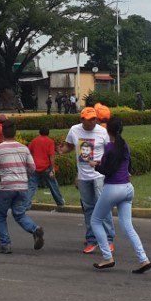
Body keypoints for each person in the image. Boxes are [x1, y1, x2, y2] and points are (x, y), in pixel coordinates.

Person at [90, 117, 151, 273]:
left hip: (113, 188)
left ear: (108, 130)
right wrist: (102, 165)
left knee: (95, 221)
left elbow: (107, 170)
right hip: (128, 188)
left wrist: (95, 165)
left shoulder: (109, 147)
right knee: (128, 226)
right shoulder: (124, 145)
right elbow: (126, 165)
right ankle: (143, 259)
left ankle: (107, 257)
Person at [59, 107, 114, 253]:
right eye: (89, 119)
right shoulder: (74, 130)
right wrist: (63, 150)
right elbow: (69, 146)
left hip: (99, 176)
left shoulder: (102, 131)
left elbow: (110, 151)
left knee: (103, 206)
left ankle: (109, 240)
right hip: (83, 177)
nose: (92, 122)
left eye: (94, 119)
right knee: (88, 208)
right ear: (82, 119)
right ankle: (92, 240)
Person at [0, 120, 44, 254]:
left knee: (0, 216)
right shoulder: (24, 148)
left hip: (6, 187)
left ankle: (5, 244)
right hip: (22, 187)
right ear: (15, 133)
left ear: (2, 133)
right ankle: (35, 229)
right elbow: (33, 168)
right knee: (19, 214)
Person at [25, 127, 65, 211]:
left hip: (35, 167)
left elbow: (28, 152)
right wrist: (52, 168)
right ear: (48, 133)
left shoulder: (34, 141)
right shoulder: (50, 141)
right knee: (53, 185)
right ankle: (60, 202)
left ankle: (26, 205)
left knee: (31, 186)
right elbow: (51, 156)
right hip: (46, 167)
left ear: (39, 132)